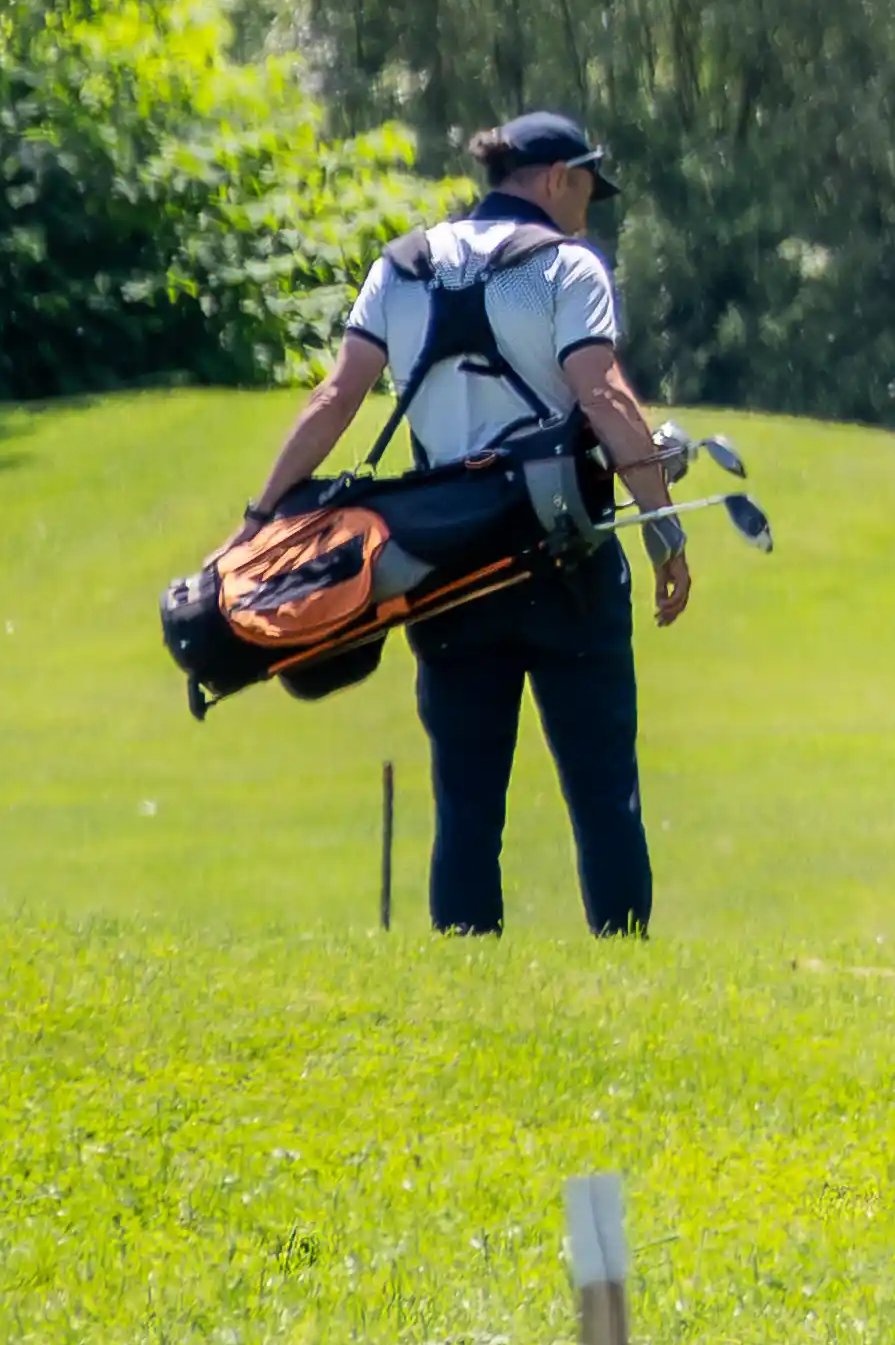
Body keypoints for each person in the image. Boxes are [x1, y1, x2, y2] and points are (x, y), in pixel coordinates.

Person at [252, 111, 693, 938]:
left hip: (447, 569)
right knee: (604, 794)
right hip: (570, 562)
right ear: (557, 176)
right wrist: (663, 530)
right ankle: (628, 970)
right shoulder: (569, 268)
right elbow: (603, 398)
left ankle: (465, 974)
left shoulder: (403, 265)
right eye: (589, 186)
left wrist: (259, 517)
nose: (591, 206)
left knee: (465, 803)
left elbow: (333, 400)